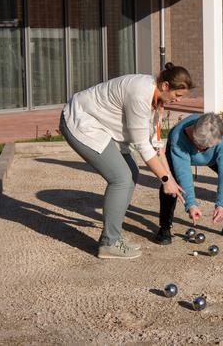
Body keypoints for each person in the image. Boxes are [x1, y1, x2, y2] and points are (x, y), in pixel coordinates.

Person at [59, 63, 192, 259]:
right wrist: (165, 181)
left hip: (102, 127)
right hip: (80, 122)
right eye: (177, 95)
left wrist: (170, 179)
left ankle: (113, 235)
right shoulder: (140, 94)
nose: (177, 100)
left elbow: (156, 144)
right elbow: (143, 147)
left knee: (132, 173)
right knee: (121, 178)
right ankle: (109, 243)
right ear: (165, 86)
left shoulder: (157, 100)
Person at [154, 113, 223, 244]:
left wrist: (222, 205)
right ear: (193, 133)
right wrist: (190, 203)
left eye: (205, 148)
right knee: (170, 182)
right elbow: (184, 174)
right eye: (197, 145)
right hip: (182, 150)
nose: (199, 150)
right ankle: (164, 227)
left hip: (213, 157)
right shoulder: (178, 137)